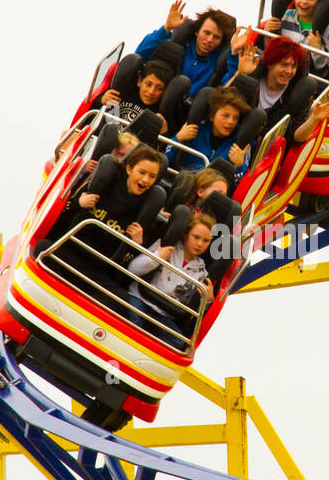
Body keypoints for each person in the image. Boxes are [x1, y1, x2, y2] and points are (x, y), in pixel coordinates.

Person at [33, 145, 164, 268]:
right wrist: (78, 204)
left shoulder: (147, 208)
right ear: (129, 169)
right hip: (68, 251)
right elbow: (57, 220)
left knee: (117, 293)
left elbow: (126, 265)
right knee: (42, 246)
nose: (146, 180)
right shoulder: (104, 182)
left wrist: (137, 243)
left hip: (96, 269)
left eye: (152, 176)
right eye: (142, 172)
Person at [126, 213, 214, 348]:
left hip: (164, 313)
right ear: (186, 234)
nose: (199, 244)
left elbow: (195, 313)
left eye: (206, 240)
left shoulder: (202, 272)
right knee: (134, 318)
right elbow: (133, 269)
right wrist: (157, 257)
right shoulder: (166, 245)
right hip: (140, 298)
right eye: (196, 237)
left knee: (178, 342)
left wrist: (207, 300)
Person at [234, 38, 329, 148]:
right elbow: (224, 101)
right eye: (283, 64)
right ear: (269, 64)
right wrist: (240, 74)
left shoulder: (297, 92)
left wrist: (314, 119)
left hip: (262, 149)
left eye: (293, 66)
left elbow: (295, 137)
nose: (289, 71)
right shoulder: (252, 74)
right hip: (234, 133)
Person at [135, 2, 247, 97]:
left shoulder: (219, 64)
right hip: (156, 99)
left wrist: (234, 54)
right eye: (206, 33)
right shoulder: (178, 45)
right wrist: (166, 29)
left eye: (216, 37)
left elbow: (227, 90)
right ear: (197, 31)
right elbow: (140, 57)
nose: (209, 40)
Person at [167, 86, 253, 184]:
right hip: (182, 181)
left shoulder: (240, 145)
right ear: (212, 116)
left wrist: (240, 165)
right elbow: (166, 159)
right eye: (226, 116)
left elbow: (240, 187)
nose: (231, 122)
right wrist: (177, 139)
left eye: (235, 118)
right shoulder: (196, 129)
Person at [262, 0, 329, 75]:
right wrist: (268, 35)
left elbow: (324, 70)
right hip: (282, 70)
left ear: (319, 1)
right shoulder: (285, 17)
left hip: (307, 76)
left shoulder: (327, 29)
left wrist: (317, 49)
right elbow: (269, 52)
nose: (304, 2)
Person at [96, 60, 174, 126]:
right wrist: (101, 100)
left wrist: (162, 132)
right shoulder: (123, 90)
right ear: (140, 81)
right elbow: (91, 107)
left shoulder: (160, 113)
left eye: (159, 89)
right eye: (148, 84)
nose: (151, 92)